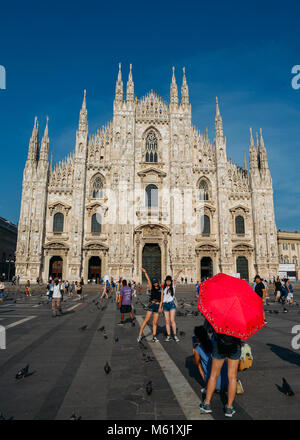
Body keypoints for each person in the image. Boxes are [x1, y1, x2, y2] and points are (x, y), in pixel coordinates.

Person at [200, 332, 241, 418]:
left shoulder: (221, 318)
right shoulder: (240, 319)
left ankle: (207, 404)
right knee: (232, 377)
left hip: (219, 344)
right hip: (235, 345)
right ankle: (229, 408)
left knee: (213, 375)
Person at [192, 326, 228, 394]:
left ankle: (207, 386)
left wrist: (194, 350)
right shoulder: (214, 342)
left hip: (214, 386)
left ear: (197, 338)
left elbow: (196, 363)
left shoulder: (198, 349)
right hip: (227, 383)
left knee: (199, 364)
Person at [137, 268, 163, 343]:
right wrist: (145, 272)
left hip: (157, 306)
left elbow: (161, 299)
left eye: (156, 282)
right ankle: (139, 335)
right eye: (154, 283)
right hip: (151, 305)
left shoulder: (161, 289)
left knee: (155, 322)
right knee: (146, 320)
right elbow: (148, 280)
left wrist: (160, 307)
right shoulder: (152, 288)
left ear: (157, 282)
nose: (155, 284)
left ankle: (154, 337)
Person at [162, 270, 182, 342]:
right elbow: (162, 297)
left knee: (172, 320)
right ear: (165, 281)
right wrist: (161, 306)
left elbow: (175, 279)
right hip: (165, 305)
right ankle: (169, 335)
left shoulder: (173, 287)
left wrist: (178, 272)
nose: (168, 282)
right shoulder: (163, 288)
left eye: (169, 281)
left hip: (171, 304)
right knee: (167, 321)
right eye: (167, 281)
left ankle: (175, 335)